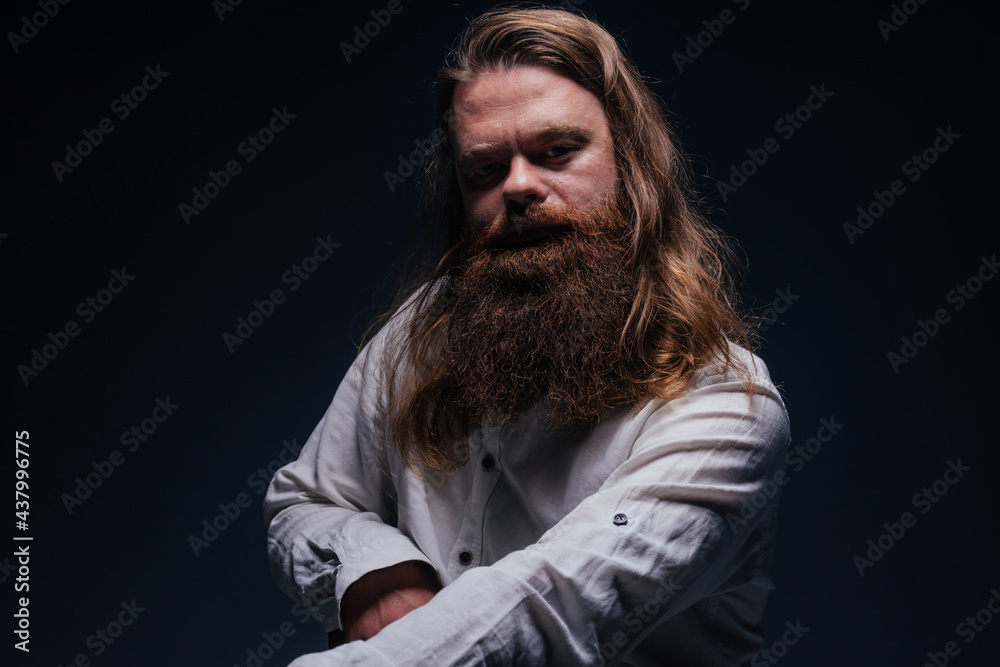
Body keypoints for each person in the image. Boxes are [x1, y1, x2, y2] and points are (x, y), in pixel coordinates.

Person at [264, 6, 790, 666]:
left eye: (557, 151)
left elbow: (550, 605)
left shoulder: (729, 410)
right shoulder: (423, 333)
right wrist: (377, 568)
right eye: (484, 169)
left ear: (632, 164)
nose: (517, 186)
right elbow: (307, 498)